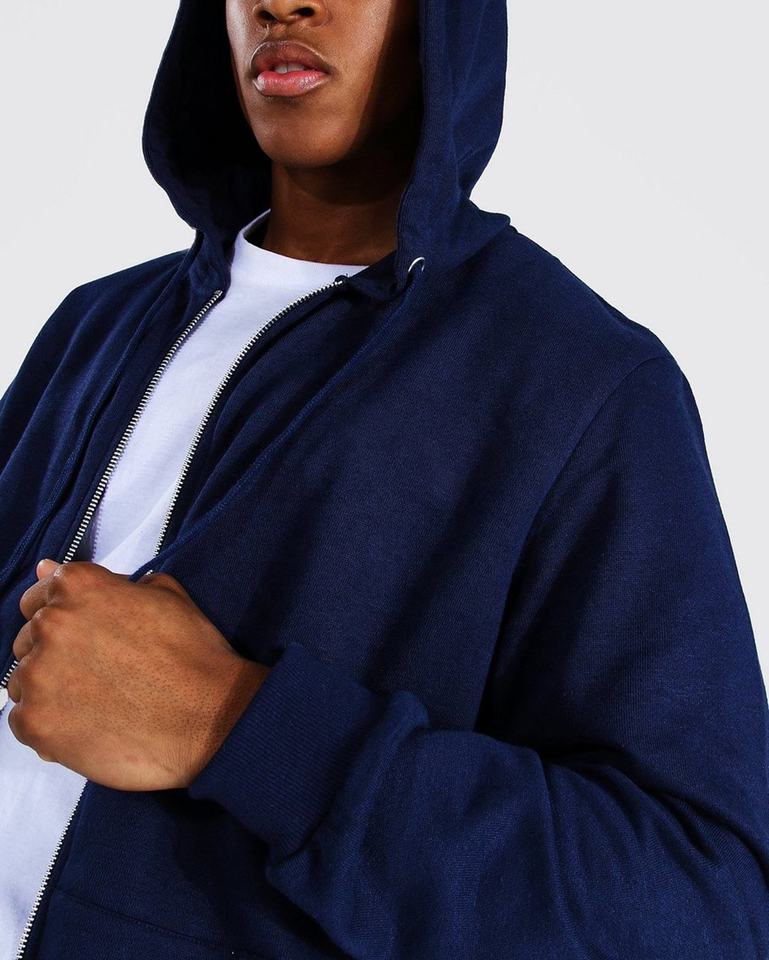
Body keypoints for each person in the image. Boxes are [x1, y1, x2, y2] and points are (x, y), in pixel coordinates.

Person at [0, 0, 767, 956]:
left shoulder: (581, 386)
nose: (284, 3)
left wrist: (234, 726)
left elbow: (699, 906)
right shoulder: (95, 327)